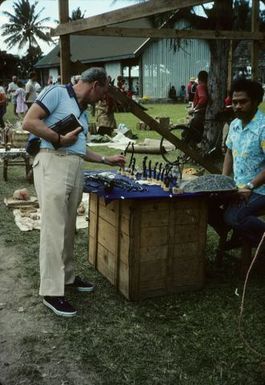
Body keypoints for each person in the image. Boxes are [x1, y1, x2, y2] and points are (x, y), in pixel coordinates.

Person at [22, 67, 125, 317]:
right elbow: (29, 121)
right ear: (95, 84)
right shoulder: (56, 92)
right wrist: (58, 138)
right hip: (52, 162)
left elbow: (79, 146)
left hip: (74, 165)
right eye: (103, 91)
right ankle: (50, 290)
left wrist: (104, 159)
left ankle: (67, 277)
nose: (102, 98)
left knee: (68, 226)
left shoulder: (82, 110)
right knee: (53, 226)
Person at [208, 78, 265, 249]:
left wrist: (250, 186)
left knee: (234, 217)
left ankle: (252, 236)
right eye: (234, 102)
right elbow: (230, 153)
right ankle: (239, 235)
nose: (237, 106)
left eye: (243, 102)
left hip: (260, 190)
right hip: (238, 187)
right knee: (204, 204)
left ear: (256, 101)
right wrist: (223, 181)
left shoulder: (263, 127)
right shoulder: (234, 125)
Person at [183, 71, 208, 144]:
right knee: (197, 135)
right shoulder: (207, 86)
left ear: (199, 79)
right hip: (204, 114)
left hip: (199, 115)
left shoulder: (200, 86)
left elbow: (203, 98)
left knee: (188, 133)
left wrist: (195, 109)